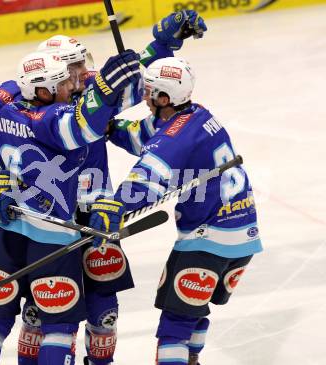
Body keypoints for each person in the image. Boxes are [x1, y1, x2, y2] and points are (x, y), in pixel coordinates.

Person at [16, 12, 208, 365]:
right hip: (52, 217)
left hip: (99, 209)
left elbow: (135, 83)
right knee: (45, 307)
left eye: (80, 66)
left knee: (104, 305)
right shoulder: (29, 107)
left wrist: (163, 45)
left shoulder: (89, 89)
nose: (80, 75)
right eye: (71, 69)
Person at [0, 49, 141, 365]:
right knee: (55, 321)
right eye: (65, 77)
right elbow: (82, 127)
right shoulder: (55, 118)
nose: (75, 82)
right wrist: (104, 90)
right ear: (43, 89)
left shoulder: (4, 109)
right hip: (56, 230)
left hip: (5, 227)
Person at [90, 56, 263, 365]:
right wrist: (108, 127)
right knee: (194, 312)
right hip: (243, 236)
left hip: (208, 240)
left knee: (174, 328)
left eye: (149, 91)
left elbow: (147, 178)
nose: (144, 97)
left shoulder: (174, 138)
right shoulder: (196, 115)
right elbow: (146, 136)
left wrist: (113, 206)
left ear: (164, 97)